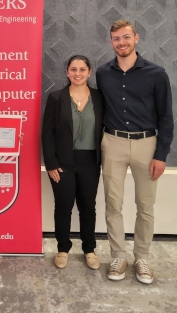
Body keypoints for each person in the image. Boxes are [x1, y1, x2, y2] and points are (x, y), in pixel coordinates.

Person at [96, 20, 173, 284]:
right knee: (113, 203)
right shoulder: (103, 73)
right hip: (113, 142)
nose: (122, 42)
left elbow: (166, 117)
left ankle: (142, 257)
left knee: (145, 205)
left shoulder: (156, 73)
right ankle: (118, 255)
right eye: (116, 38)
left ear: (136, 38)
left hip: (146, 145)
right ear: (111, 42)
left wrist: (161, 154)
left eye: (126, 37)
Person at [42, 55, 103, 270]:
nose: (78, 74)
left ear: (89, 72)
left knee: (88, 207)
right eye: (73, 69)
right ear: (67, 72)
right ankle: (62, 248)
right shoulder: (56, 98)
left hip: (90, 162)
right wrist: (50, 163)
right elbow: (47, 134)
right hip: (62, 163)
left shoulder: (99, 97)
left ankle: (89, 249)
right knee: (63, 207)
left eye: (82, 69)